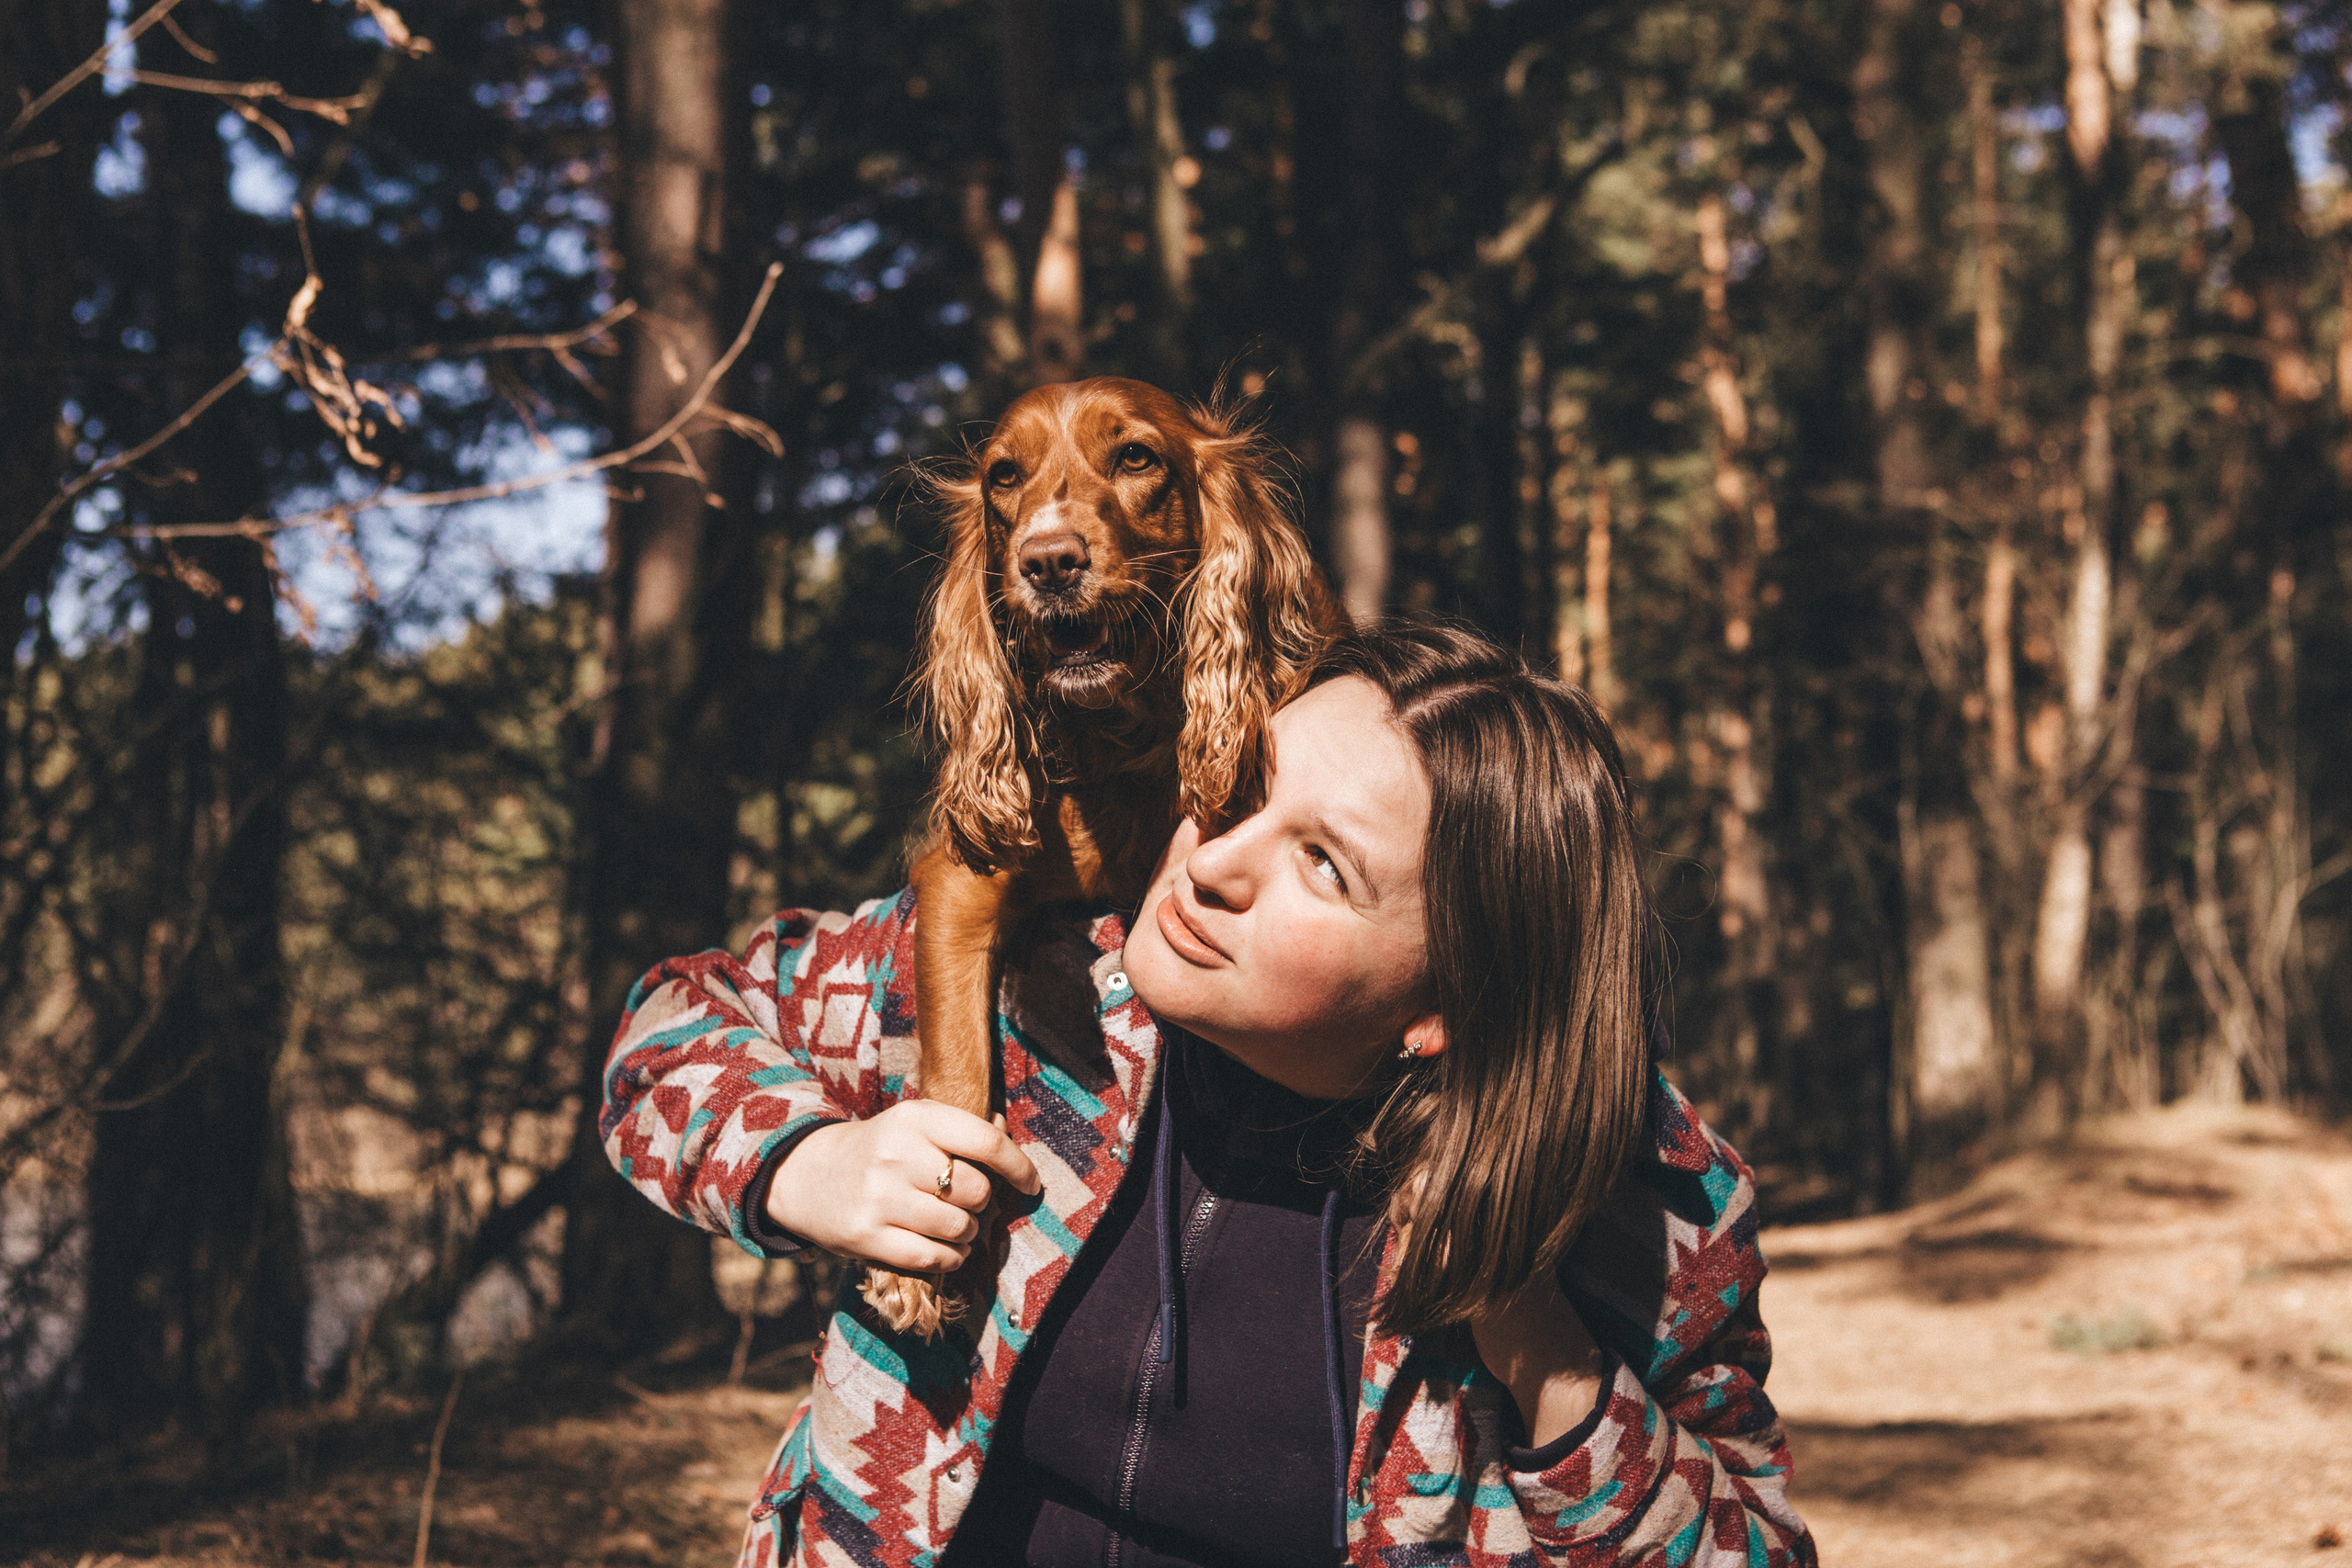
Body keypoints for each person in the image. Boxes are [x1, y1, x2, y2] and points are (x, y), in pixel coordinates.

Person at [601, 623, 1815, 1568]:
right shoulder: (1025, 993)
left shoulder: (1641, 1198)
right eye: (1239, 789)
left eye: (1322, 864)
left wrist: (1546, 1360)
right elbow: (665, 1028)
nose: (1216, 862)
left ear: (1449, 1000)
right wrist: (809, 1166)